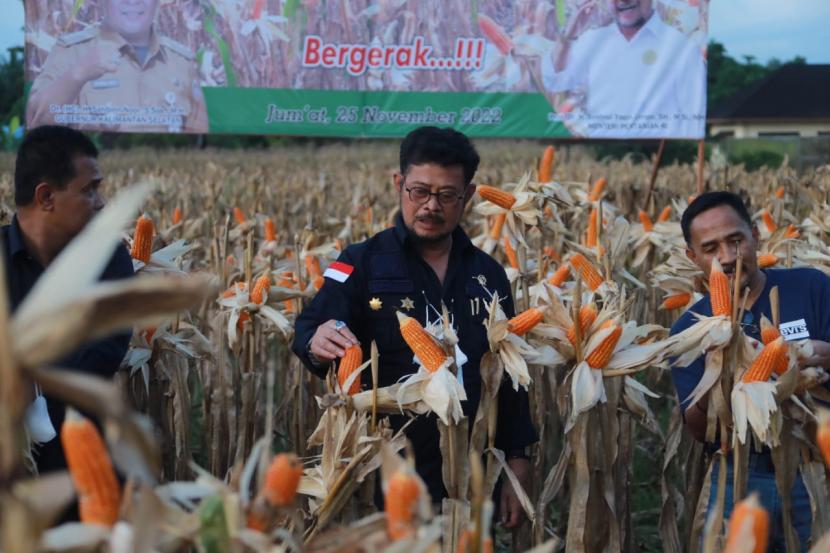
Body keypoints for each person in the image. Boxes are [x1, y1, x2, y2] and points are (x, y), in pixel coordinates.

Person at [292, 126, 536, 528]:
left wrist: (517, 459)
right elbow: (309, 328)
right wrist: (316, 340)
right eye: (419, 191)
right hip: (388, 465)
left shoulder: (489, 275)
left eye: (446, 195)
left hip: (471, 469)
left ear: (469, 196)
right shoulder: (359, 262)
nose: (430, 206)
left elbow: (509, 378)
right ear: (399, 184)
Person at [670, 191, 830, 551]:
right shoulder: (686, 331)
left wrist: (824, 357)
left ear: (755, 236)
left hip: (813, 465)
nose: (727, 257)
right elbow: (697, 430)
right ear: (692, 257)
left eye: (735, 240)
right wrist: (718, 372)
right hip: (738, 472)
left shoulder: (812, 287)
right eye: (711, 249)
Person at [1, 125, 134, 475]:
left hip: (83, 469)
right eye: (89, 190)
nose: (102, 202)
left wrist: (24, 376)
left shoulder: (111, 260)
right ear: (46, 197)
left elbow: (101, 352)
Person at [27, 0, 208, 133]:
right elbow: (36, 123)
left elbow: (198, 137)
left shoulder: (182, 62)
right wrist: (78, 74)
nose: (133, 2)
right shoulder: (71, 52)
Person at [540, 0, 705, 138]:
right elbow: (555, 81)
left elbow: (693, 118)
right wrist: (570, 34)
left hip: (659, 157)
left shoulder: (682, 48)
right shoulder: (591, 40)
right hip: (602, 154)